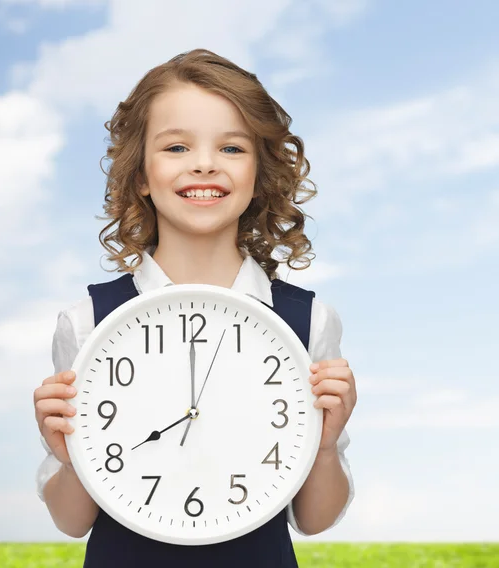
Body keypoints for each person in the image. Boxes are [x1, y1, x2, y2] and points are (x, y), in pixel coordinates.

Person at [33, 48, 357, 567]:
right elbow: (73, 522)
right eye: (177, 146)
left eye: (231, 148)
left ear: (259, 173)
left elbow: (314, 520)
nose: (204, 163)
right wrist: (72, 459)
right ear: (140, 174)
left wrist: (323, 445)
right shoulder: (88, 323)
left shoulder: (308, 322)